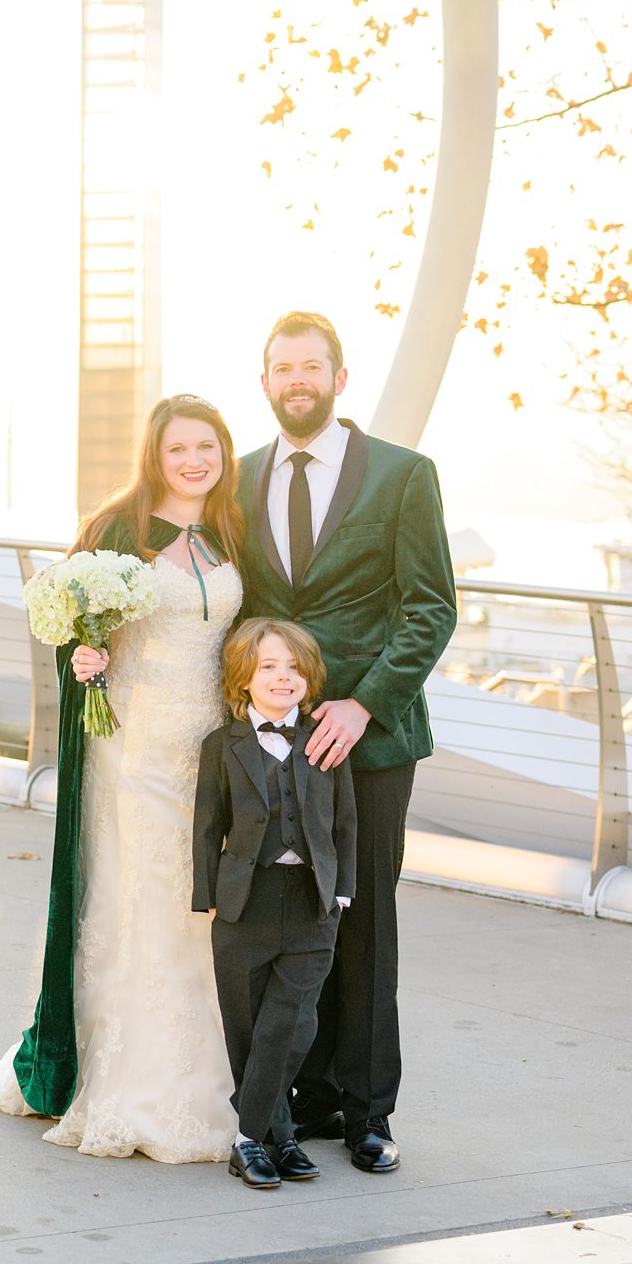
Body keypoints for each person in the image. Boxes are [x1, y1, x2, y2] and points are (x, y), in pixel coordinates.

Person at [0, 393, 248, 1162]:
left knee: (202, 903)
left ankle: (226, 1066)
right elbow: (71, 631)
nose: (195, 461)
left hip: (207, 740)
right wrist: (85, 657)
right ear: (154, 457)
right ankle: (134, 1076)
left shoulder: (232, 530)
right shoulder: (116, 532)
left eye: (208, 446)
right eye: (179, 449)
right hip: (132, 746)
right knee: (143, 897)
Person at [235, 310, 457, 1174]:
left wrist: (364, 704)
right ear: (265, 382)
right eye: (283, 367)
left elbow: (430, 604)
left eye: (312, 366)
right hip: (276, 740)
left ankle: (368, 1112)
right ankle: (307, 1095)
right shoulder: (243, 478)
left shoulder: (403, 475)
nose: (298, 379)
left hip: (370, 741)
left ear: (339, 376)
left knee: (361, 922)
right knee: (290, 920)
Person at [193, 619, 357, 1188]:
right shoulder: (222, 745)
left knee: (294, 1021)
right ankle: (279, 1136)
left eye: (294, 667)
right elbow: (206, 824)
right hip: (245, 899)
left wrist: (341, 889)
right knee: (248, 1022)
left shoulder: (325, 740)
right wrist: (209, 896)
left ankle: (247, 1139)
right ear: (244, 679)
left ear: (309, 679)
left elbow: (346, 822)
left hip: (313, 899)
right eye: (268, 666)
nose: (282, 677)